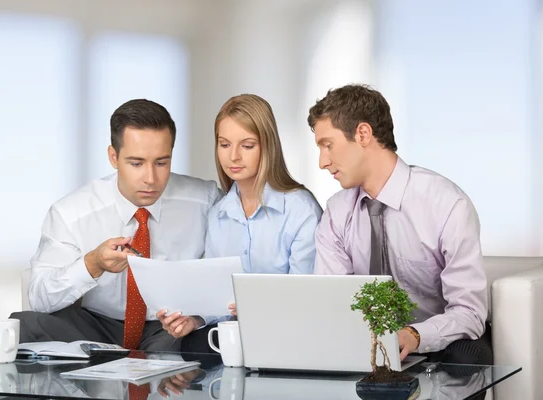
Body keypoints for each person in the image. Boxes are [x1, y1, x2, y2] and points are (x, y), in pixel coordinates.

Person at [10, 99, 221, 352]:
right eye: (136, 163)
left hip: (172, 327)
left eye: (161, 163)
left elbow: (222, 280)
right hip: (97, 325)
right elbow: (39, 297)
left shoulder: (205, 200)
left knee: (206, 337)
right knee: (26, 325)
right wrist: (92, 264)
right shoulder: (71, 213)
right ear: (113, 157)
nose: (150, 178)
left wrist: (197, 317)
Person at [308, 84, 492, 365]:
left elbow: (469, 312)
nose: (323, 162)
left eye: (328, 145)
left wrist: (414, 335)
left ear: (363, 134)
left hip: (434, 344)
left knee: (470, 355)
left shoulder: (445, 204)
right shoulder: (336, 212)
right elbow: (330, 301)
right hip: (364, 345)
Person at [157, 94, 323, 340]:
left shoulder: (301, 210)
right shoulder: (218, 214)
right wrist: (194, 319)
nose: (233, 156)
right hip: (234, 342)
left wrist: (257, 304)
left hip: (291, 338)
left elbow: (307, 296)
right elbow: (216, 297)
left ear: (267, 146)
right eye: (224, 144)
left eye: (247, 145)